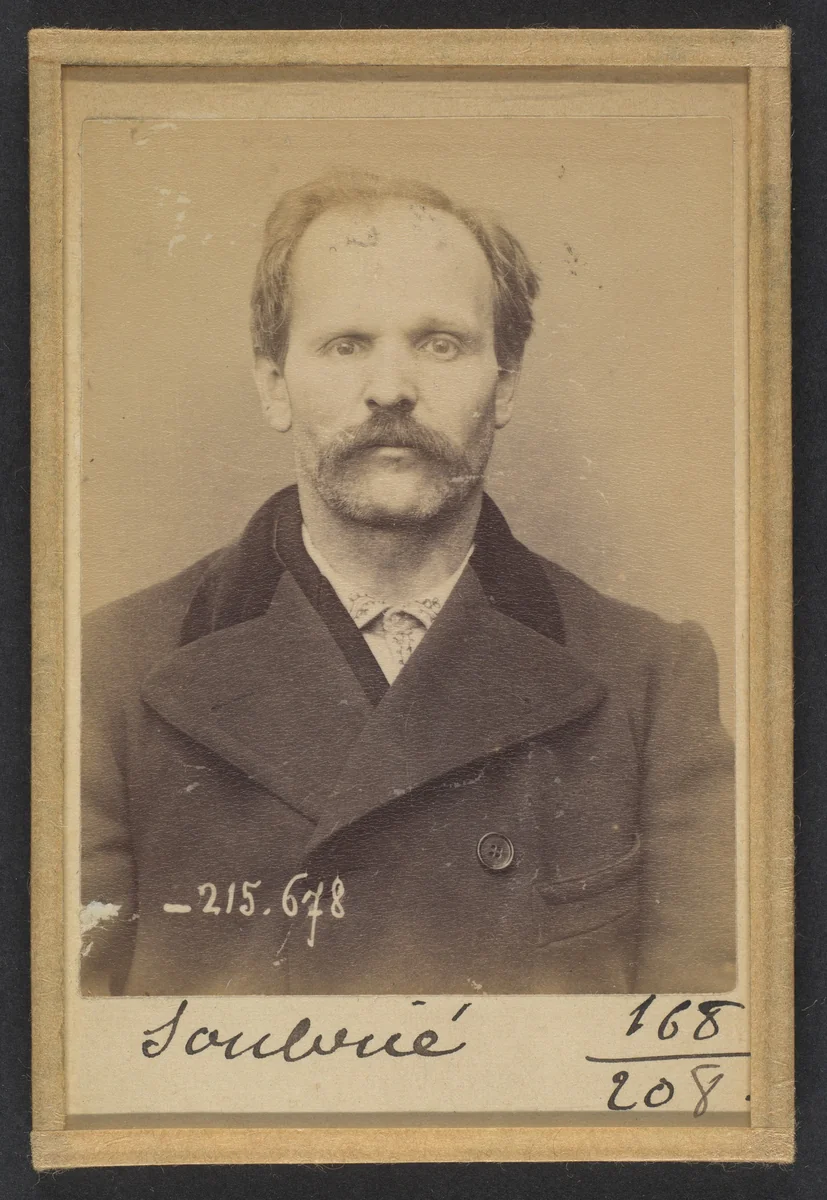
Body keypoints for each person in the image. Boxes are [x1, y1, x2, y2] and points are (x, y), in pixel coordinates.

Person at [81, 170, 735, 996]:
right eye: (346, 343)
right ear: (273, 384)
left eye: (440, 343)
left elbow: (700, 1067)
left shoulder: (651, 681)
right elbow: (68, 1075)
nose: (390, 388)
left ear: (503, 385)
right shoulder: (100, 675)